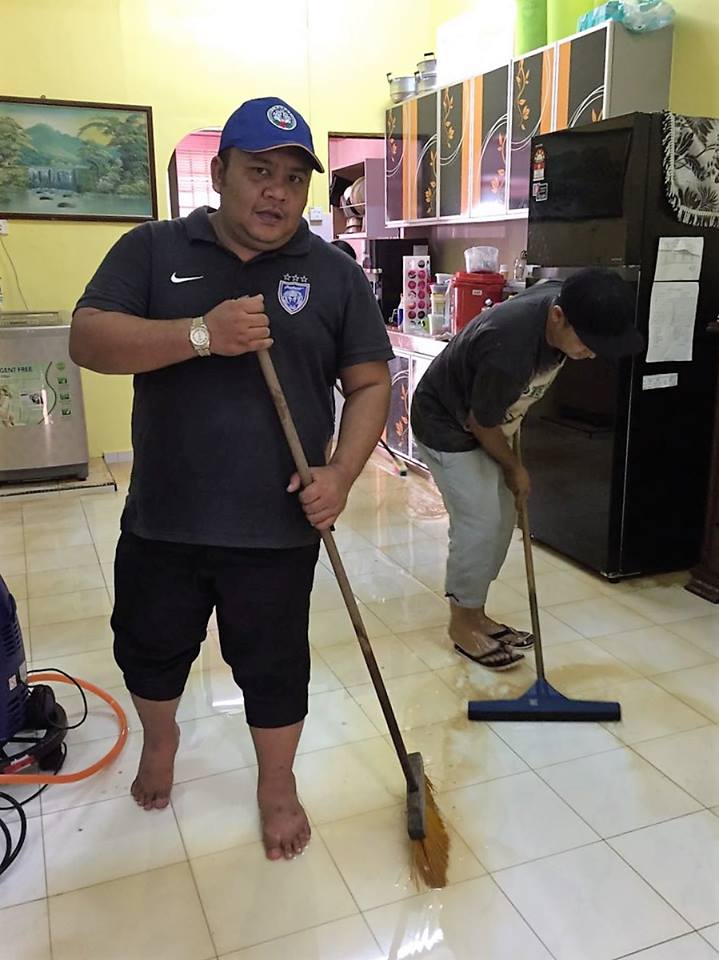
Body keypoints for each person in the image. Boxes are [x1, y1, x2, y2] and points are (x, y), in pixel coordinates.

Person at [70, 96, 392, 861]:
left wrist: (342, 474)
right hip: (164, 516)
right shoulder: (151, 249)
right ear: (219, 174)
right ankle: (160, 741)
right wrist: (200, 334)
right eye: (258, 172)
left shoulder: (332, 272)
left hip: (278, 526)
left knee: (274, 666)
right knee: (148, 650)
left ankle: (276, 782)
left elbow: (370, 383)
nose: (276, 192)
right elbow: (88, 339)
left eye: (293, 178)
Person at [410, 269, 643, 671]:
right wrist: (514, 466)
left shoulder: (567, 299)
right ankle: (462, 624)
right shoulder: (509, 348)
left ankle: (476, 613)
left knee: (503, 521)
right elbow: (481, 422)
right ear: (557, 316)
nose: (591, 354)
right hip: (447, 423)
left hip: (488, 417)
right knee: (480, 524)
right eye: (587, 343)